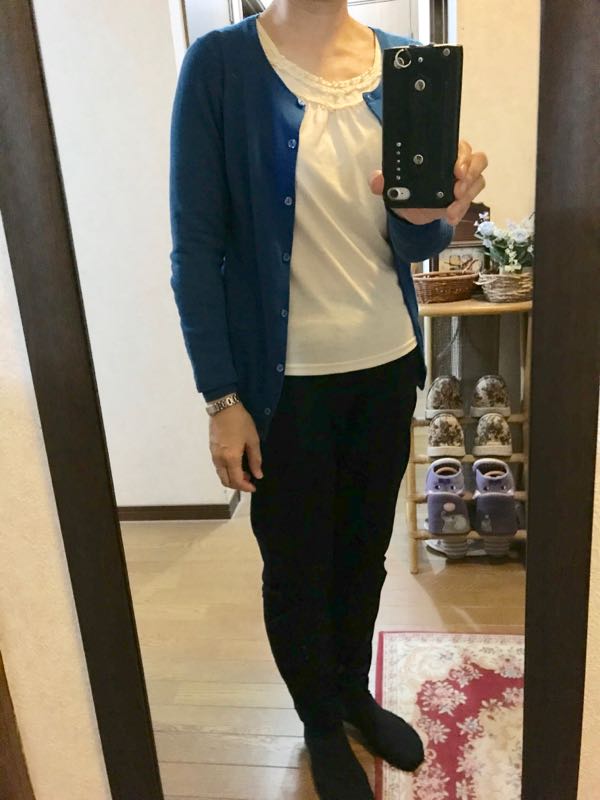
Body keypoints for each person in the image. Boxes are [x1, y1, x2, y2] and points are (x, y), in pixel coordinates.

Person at [169, 2, 488, 797]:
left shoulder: (404, 64)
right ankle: (318, 719)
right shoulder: (220, 68)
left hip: (386, 368)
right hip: (283, 391)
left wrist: (437, 214)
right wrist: (222, 398)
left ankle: (351, 694)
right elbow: (196, 248)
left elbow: (413, 242)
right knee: (296, 569)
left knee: (362, 555)